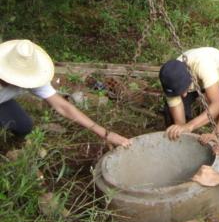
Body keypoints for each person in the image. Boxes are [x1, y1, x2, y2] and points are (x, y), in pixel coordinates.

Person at [0, 39, 131, 147]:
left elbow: (64, 107)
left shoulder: (30, 77)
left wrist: (106, 134)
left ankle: (14, 145)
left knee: (24, 126)